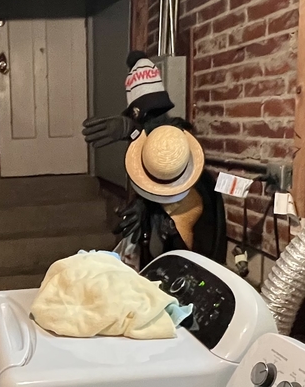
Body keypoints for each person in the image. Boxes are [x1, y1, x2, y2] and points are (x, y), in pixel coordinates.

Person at [84, 52, 226, 267]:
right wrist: (145, 205)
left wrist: (134, 131)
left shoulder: (197, 195)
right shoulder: (167, 152)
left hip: (192, 257)